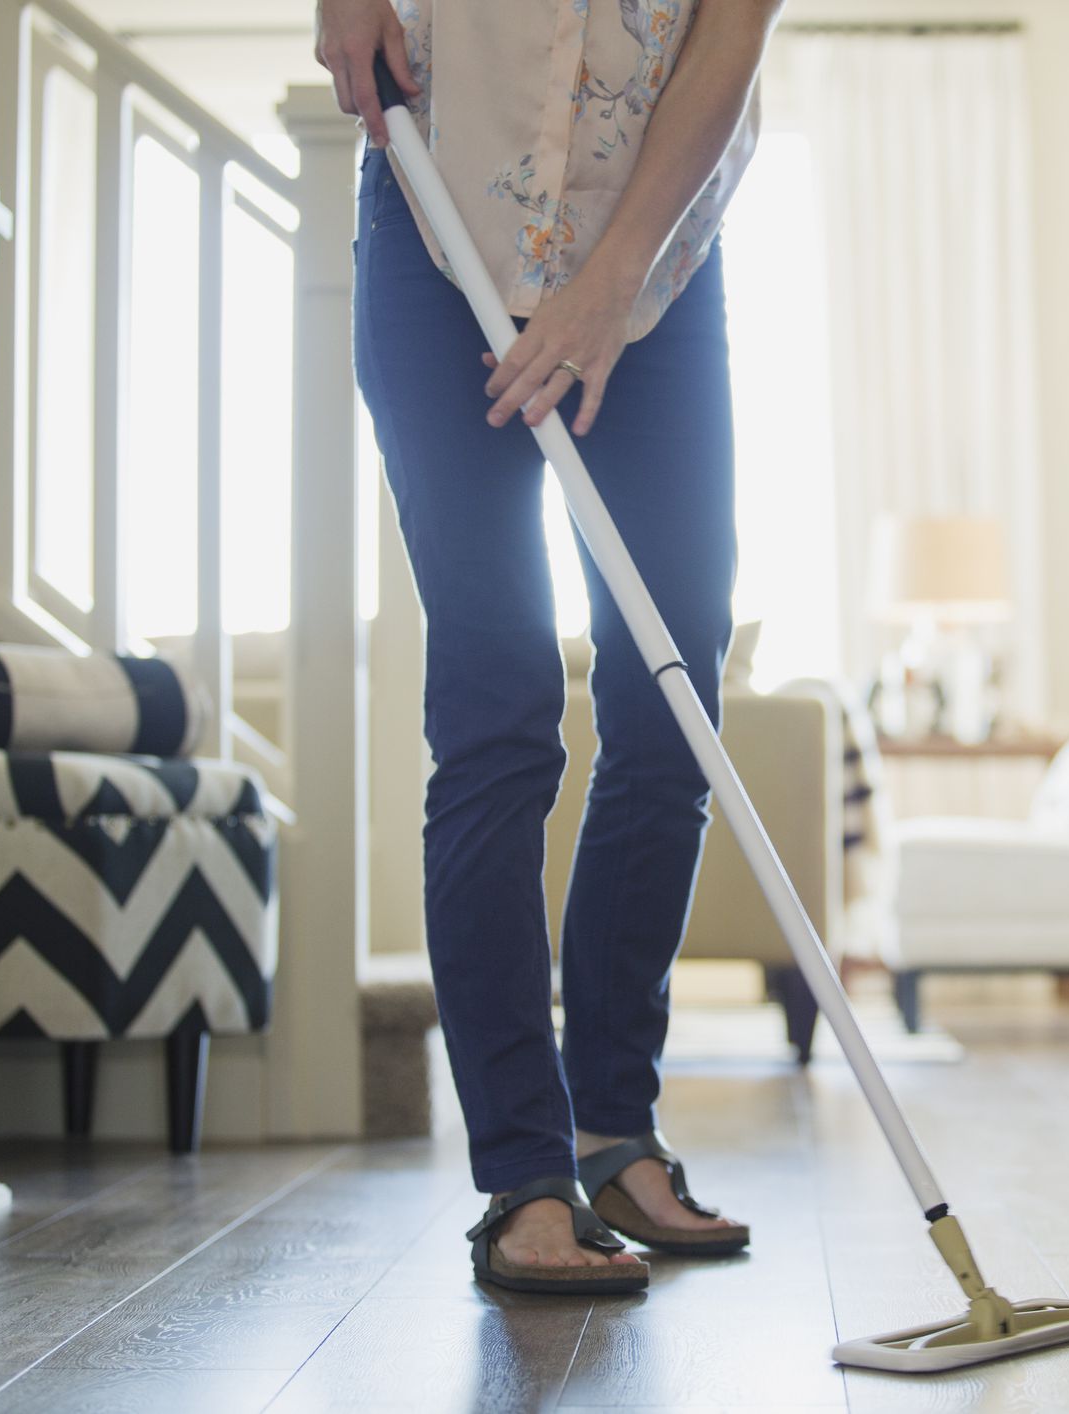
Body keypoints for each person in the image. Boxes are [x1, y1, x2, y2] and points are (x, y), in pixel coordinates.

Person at [316, 0, 781, 1294]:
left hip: (655, 263)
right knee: (495, 699)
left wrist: (610, 282)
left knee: (670, 690)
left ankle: (612, 1127)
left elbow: (731, 35)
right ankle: (525, 1170)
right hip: (436, 227)